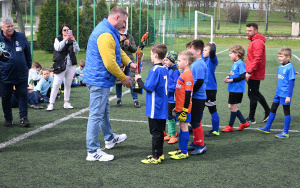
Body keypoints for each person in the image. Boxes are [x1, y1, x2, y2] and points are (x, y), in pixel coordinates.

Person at [84, 6, 137, 162]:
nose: (124, 25)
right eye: (124, 21)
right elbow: (110, 63)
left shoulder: (109, 29)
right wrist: (124, 78)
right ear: (117, 17)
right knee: (96, 115)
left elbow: (118, 51)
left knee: (103, 111)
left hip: (100, 79)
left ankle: (109, 139)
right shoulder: (105, 34)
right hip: (99, 80)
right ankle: (93, 151)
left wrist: (129, 62)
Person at [135, 43, 168, 164]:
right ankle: (159, 153)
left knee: (155, 132)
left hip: (156, 106)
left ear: (155, 55)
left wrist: (138, 79)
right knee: (159, 131)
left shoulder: (155, 70)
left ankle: (156, 156)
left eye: (151, 54)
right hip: (162, 105)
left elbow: (148, 87)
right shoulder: (165, 68)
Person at [257, 47, 296, 138]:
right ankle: (267, 127)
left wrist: (288, 96)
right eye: (279, 56)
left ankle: (285, 132)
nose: (279, 58)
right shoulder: (280, 67)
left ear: (288, 57)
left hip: (285, 94)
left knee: (286, 111)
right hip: (278, 93)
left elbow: (291, 83)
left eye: (281, 56)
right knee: (273, 109)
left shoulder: (290, 68)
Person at [0, 17, 32, 127]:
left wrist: (28, 65)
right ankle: (8, 119)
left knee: (23, 96)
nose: (10, 28)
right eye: (8, 26)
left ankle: (23, 118)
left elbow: (28, 52)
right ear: (1, 27)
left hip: (21, 72)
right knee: (6, 97)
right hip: (5, 74)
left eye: (12, 26)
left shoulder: (21, 36)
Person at [47, 24, 80, 111]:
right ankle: (51, 103)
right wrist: (65, 39)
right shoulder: (57, 39)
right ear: (61, 31)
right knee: (56, 84)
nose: (66, 32)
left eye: (68, 30)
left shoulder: (72, 40)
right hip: (60, 65)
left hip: (71, 65)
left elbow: (77, 50)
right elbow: (58, 48)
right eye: (64, 30)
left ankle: (66, 102)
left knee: (68, 84)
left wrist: (74, 41)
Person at [168, 50, 194, 160]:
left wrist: (184, 109)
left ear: (186, 62)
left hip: (185, 108)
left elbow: (188, 94)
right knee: (181, 127)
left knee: (184, 128)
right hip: (180, 106)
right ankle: (180, 149)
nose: (177, 62)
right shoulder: (183, 73)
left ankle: (184, 152)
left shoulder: (188, 75)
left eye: (179, 60)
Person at [245, 23, 270, 124]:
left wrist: (250, 71)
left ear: (256, 30)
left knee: (252, 95)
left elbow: (257, 59)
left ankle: (251, 118)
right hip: (253, 72)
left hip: (254, 73)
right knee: (255, 93)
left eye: (250, 31)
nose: (247, 32)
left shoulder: (257, 42)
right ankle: (268, 111)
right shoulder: (254, 41)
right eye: (247, 30)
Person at [186, 39, 207, 155]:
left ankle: (201, 145)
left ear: (198, 51)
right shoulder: (196, 63)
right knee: (193, 121)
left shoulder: (199, 64)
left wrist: (190, 93)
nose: (189, 52)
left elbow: (199, 81)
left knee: (195, 121)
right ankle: (195, 142)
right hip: (195, 97)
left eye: (191, 50)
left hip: (198, 97)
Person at [222, 45, 250, 132]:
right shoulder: (235, 63)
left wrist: (231, 80)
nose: (229, 55)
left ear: (237, 54)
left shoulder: (240, 63)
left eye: (231, 53)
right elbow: (235, 73)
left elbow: (243, 76)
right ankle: (244, 122)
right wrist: (229, 76)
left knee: (232, 106)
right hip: (233, 88)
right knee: (231, 106)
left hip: (237, 89)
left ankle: (230, 126)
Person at [115, 26, 140, 108]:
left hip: (129, 61)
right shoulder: (115, 35)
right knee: (118, 82)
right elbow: (114, 48)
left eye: (124, 27)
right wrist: (119, 41)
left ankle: (135, 100)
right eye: (121, 27)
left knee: (133, 80)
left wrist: (128, 45)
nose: (122, 29)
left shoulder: (130, 36)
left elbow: (134, 49)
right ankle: (118, 99)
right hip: (119, 61)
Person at [202, 43, 220, 137]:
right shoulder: (203, 59)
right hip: (201, 89)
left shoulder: (212, 61)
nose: (203, 51)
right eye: (203, 50)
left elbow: (212, 51)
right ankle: (195, 127)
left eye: (205, 50)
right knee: (198, 109)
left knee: (212, 109)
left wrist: (212, 45)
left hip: (210, 89)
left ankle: (215, 130)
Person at [163, 51, 180, 144]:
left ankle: (173, 135)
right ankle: (170, 133)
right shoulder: (169, 69)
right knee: (168, 115)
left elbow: (176, 84)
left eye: (167, 60)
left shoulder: (175, 71)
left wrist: (167, 88)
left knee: (171, 116)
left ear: (172, 60)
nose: (165, 61)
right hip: (168, 97)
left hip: (172, 97)